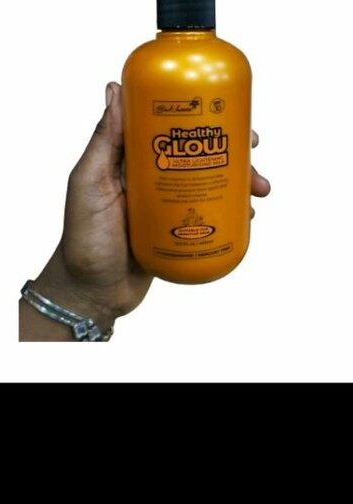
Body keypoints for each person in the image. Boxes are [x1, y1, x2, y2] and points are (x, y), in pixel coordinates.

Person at [19, 82, 271, 341]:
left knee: (227, 143)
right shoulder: (142, 70)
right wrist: (80, 292)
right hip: (134, 258)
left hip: (218, 255)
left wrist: (83, 297)